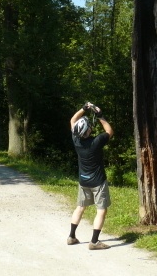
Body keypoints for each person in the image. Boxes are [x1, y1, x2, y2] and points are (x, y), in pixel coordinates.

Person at [67, 102, 114, 250]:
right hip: (98, 182)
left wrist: (83, 109)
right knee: (101, 210)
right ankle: (94, 242)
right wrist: (100, 116)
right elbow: (109, 131)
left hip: (83, 181)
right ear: (88, 130)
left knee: (80, 207)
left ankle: (71, 236)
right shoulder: (96, 142)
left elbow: (72, 120)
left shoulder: (76, 140)